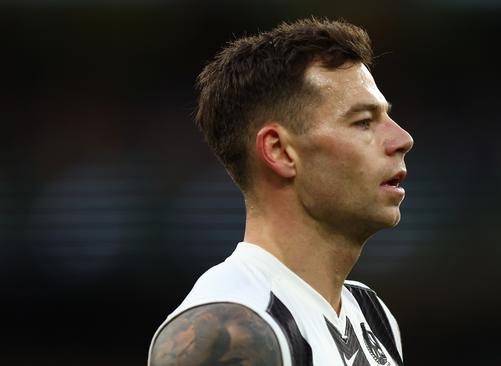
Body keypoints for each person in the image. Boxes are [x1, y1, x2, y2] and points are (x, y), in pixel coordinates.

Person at [148, 17, 413, 366]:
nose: (402, 140)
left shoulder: (370, 315)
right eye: (363, 121)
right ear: (279, 151)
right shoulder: (226, 330)